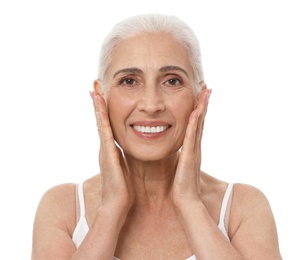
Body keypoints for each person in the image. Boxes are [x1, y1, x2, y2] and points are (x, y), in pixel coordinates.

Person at [31, 14, 282, 259]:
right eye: (129, 81)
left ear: (199, 97)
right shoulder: (63, 208)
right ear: (101, 95)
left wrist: (190, 204)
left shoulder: (243, 208)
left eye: (172, 81)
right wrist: (111, 209)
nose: (151, 105)